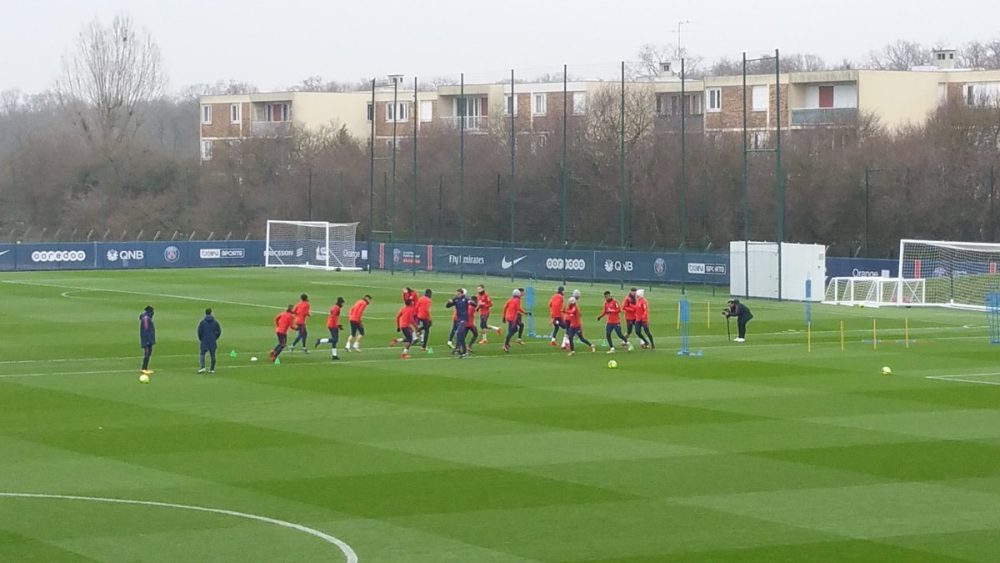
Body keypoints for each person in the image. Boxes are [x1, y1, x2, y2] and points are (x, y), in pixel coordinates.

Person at [445, 288, 470, 358]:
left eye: (458, 294)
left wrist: (471, 302)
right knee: (461, 336)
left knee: (458, 333)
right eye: (456, 293)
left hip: (464, 319)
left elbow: (473, 303)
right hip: (458, 319)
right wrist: (449, 302)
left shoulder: (466, 299)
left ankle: (459, 349)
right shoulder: (455, 299)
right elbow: (447, 306)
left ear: (462, 294)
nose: (457, 295)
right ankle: (464, 352)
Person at [197, 307, 222, 373]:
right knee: (212, 355)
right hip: (212, 341)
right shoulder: (215, 322)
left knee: (202, 354)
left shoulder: (202, 322)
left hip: (204, 340)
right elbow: (219, 331)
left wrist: (201, 339)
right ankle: (212, 369)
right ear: (211, 313)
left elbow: (199, 332)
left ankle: (202, 367)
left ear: (205, 313)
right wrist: (215, 338)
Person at [138, 305, 155, 376]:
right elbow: (146, 330)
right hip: (147, 340)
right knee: (147, 354)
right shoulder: (146, 318)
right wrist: (148, 340)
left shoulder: (146, 318)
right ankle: (144, 368)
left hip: (148, 339)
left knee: (148, 353)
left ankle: (145, 368)